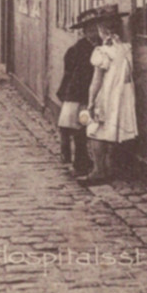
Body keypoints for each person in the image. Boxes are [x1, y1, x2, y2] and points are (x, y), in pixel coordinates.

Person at [78, 4, 137, 185]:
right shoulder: (126, 49)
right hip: (123, 95)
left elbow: (97, 80)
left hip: (108, 94)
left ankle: (98, 170)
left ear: (102, 29)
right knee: (113, 130)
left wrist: (90, 102)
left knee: (95, 131)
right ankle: (110, 167)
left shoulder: (102, 52)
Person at [56, 9, 96, 175]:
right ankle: (80, 163)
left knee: (90, 129)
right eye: (90, 30)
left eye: (96, 29)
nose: (95, 33)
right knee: (79, 128)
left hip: (94, 94)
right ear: (84, 31)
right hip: (79, 96)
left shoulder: (102, 47)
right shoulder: (77, 50)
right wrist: (70, 96)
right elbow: (69, 75)